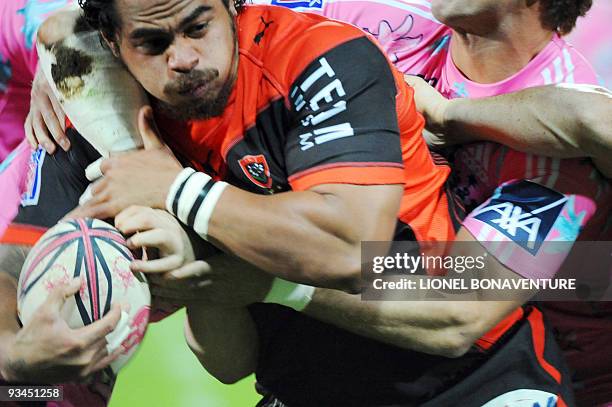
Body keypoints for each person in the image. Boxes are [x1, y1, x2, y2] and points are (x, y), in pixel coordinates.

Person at [252, 0, 611, 404]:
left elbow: (461, 307)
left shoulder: (560, 149)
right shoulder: (387, 17)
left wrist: (271, 276)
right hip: (395, 343)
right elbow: (232, 25)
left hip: (535, 374)